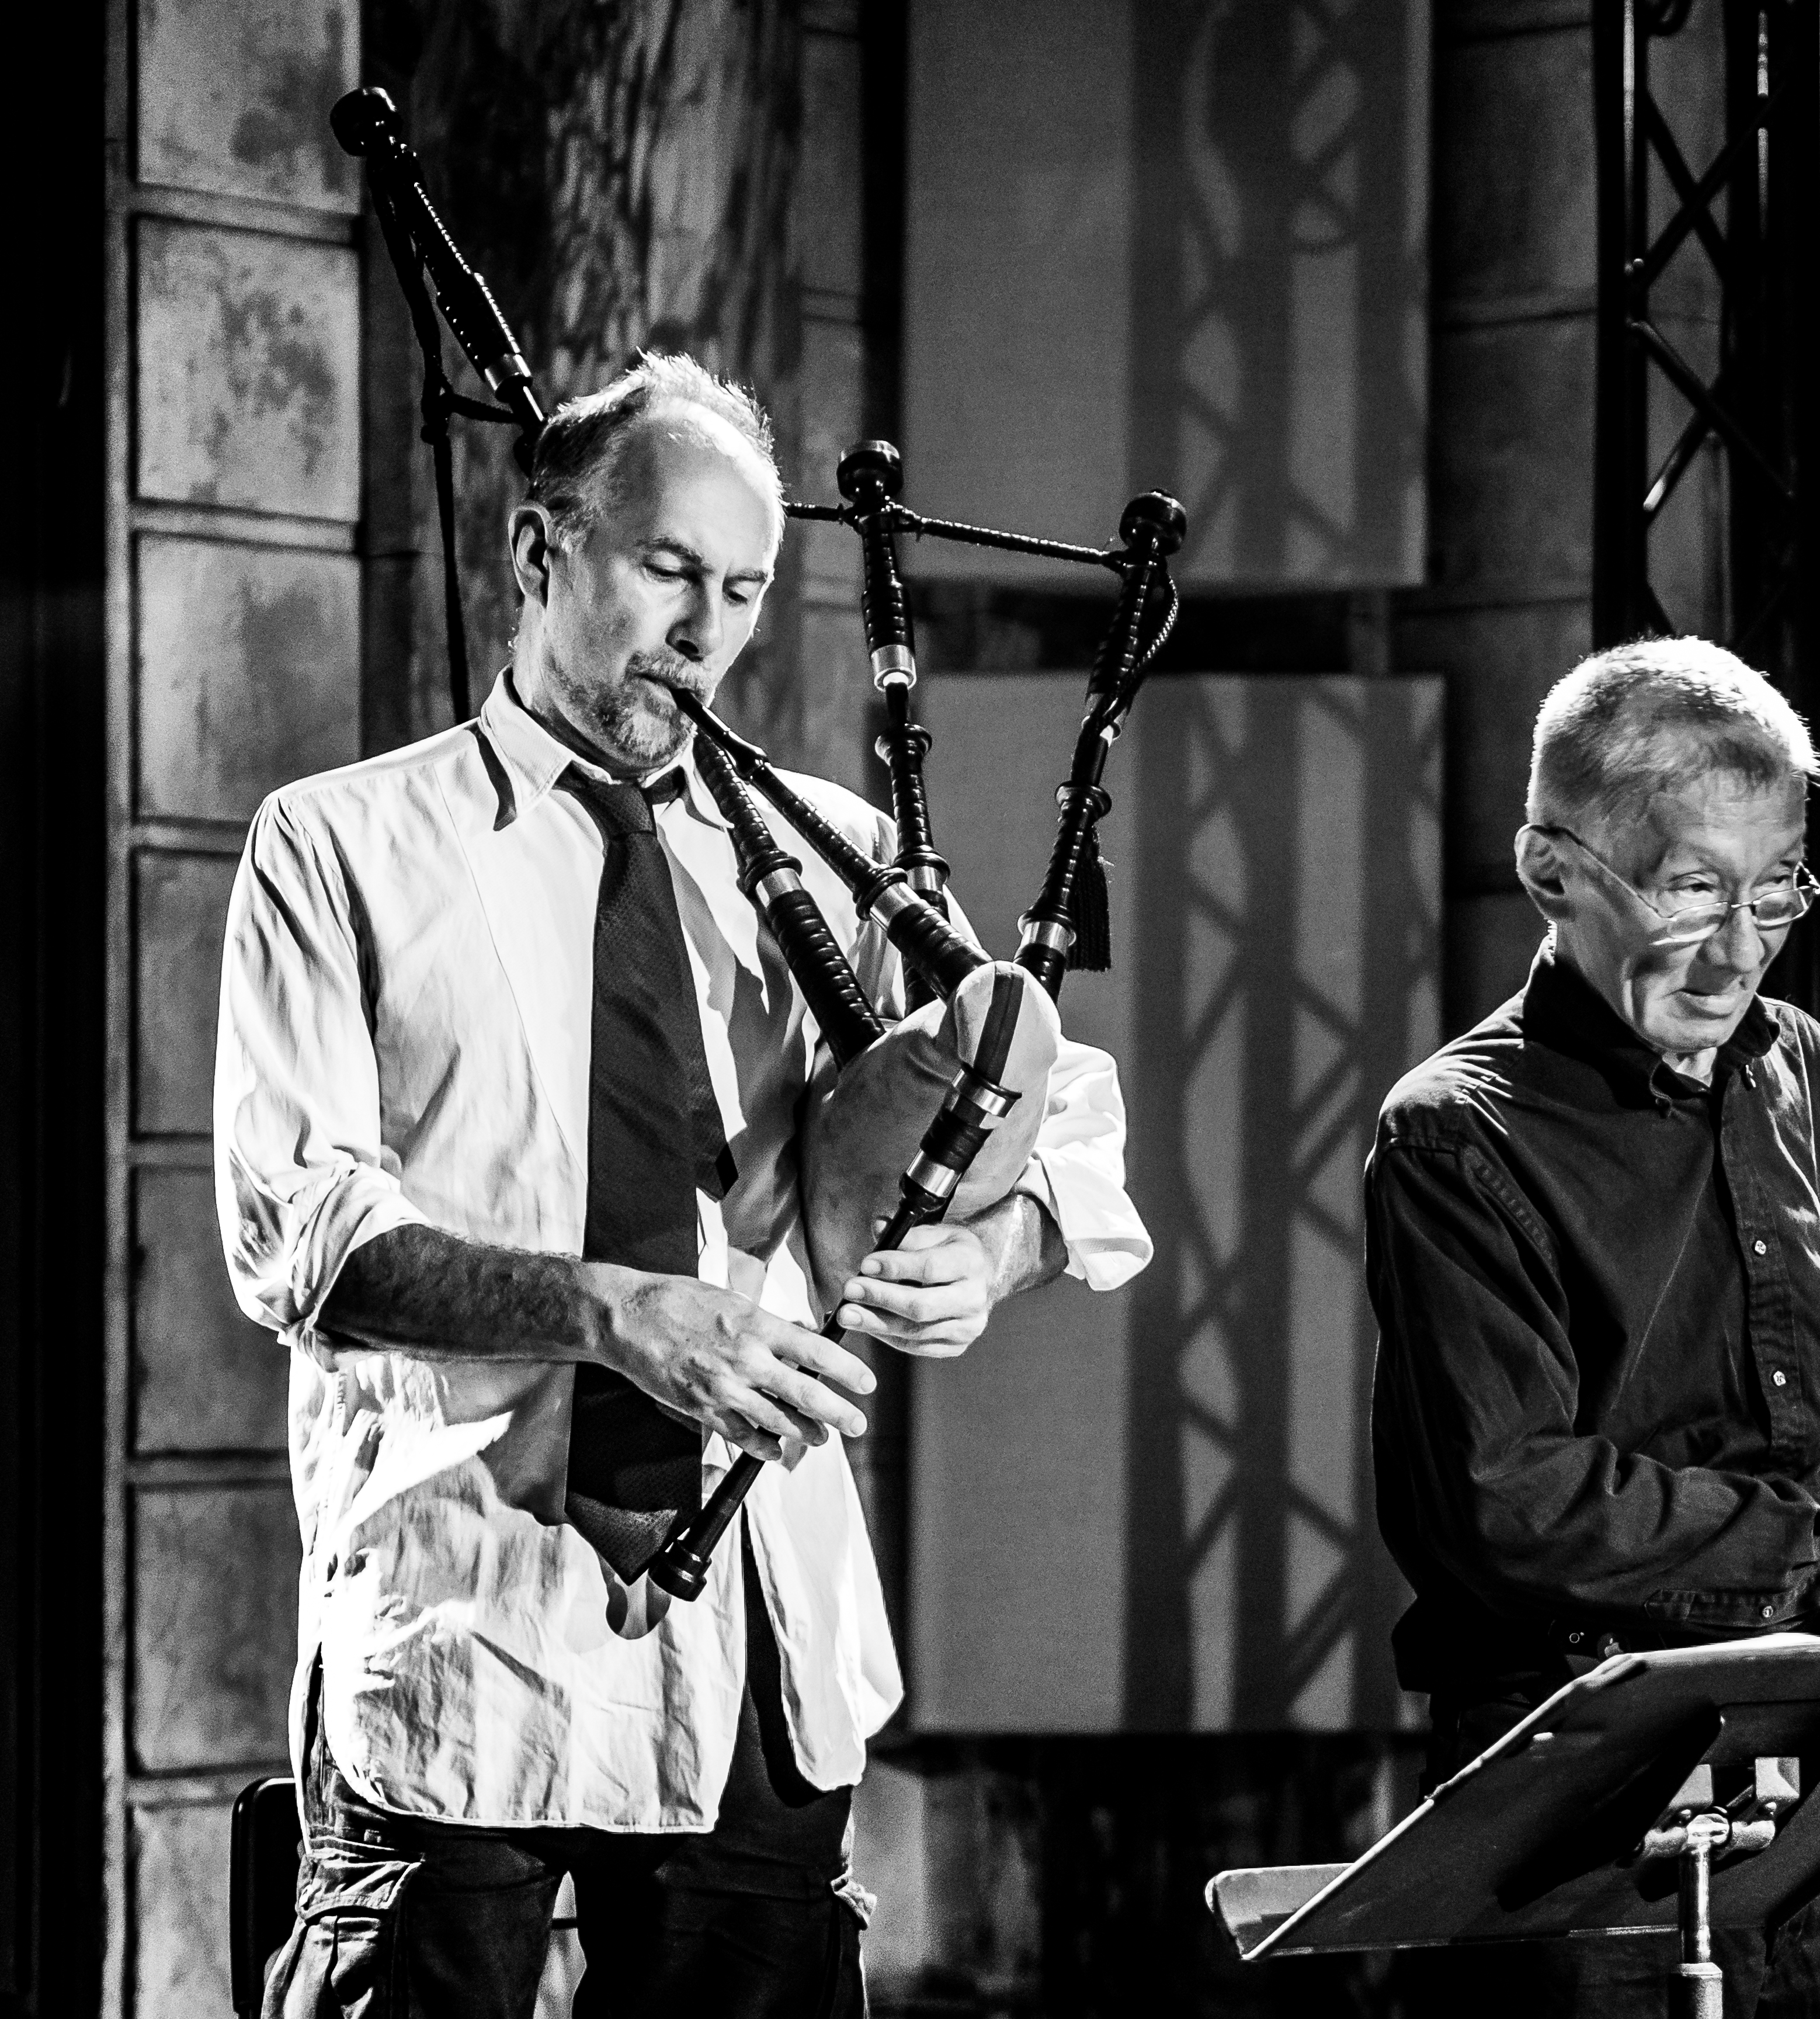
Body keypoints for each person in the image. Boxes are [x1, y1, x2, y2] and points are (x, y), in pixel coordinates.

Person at [216, 352, 1148, 2017]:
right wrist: (613, 1315)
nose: (704, 630)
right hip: (466, 1612)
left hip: (755, 1638)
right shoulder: (340, 844)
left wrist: (998, 1249)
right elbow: (303, 1237)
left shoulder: (823, 843)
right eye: (664, 572)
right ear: (537, 554)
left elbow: (1054, 1097)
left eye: (740, 589)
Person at [1367, 638, 1820, 2016]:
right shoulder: (1457, 1134)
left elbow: (1796, 1408)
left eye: (1777, 892)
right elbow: (1509, 1502)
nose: (1740, 950)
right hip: (1581, 1789)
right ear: (1551, 872)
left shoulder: (1799, 1066)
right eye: (1694, 888)